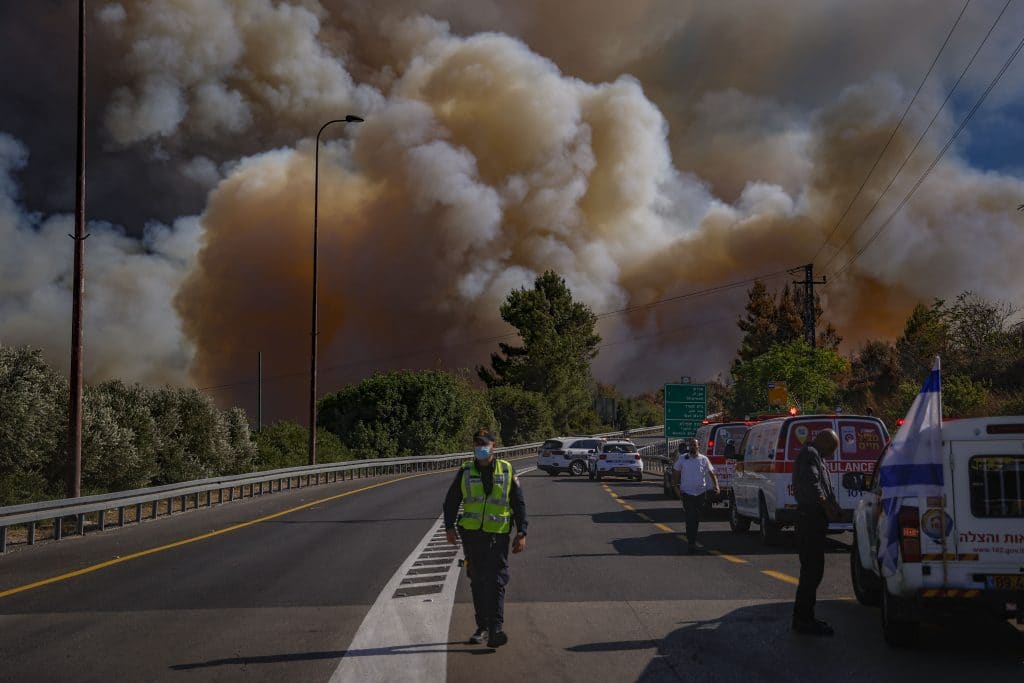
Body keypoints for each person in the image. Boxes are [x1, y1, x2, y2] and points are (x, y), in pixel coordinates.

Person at [444, 429, 527, 648]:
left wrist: (522, 532)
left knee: (497, 581)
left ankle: (495, 629)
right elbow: (451, 500)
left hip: (498, 536)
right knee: (478, 580)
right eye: (477, 443)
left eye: (484, 443)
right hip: (472, 536)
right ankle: (482, 628)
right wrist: (449, 527)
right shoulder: (465, 471)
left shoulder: (507, 470)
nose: (480, 447)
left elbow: (518, 504)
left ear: (494, 446)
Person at [791, 428, 842, 636]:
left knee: (814, 570)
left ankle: (806, 616)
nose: (831, 454)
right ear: (823, 442)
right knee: (811, 571)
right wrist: (827, 507)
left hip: (815, 519)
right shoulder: (809, 454)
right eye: (831, 449)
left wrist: (835, 506)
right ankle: (803, 619)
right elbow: (814, 486)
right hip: (809, 518)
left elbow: (824, 486)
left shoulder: (817, 456)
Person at [672, 438, 720, 554]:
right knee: (689, 518)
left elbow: (711, 473)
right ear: (689, 446)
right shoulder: (683, 458)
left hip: (700, 493)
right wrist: (676, 487)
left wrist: (716, 486)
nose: (693, 446)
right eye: (691, 445)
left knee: (697, 518)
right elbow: (676, 472)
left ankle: (692, 538)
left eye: (695, 445)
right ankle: (691, 542)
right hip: (687, 493)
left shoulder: (704, 459)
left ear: (699, 447)